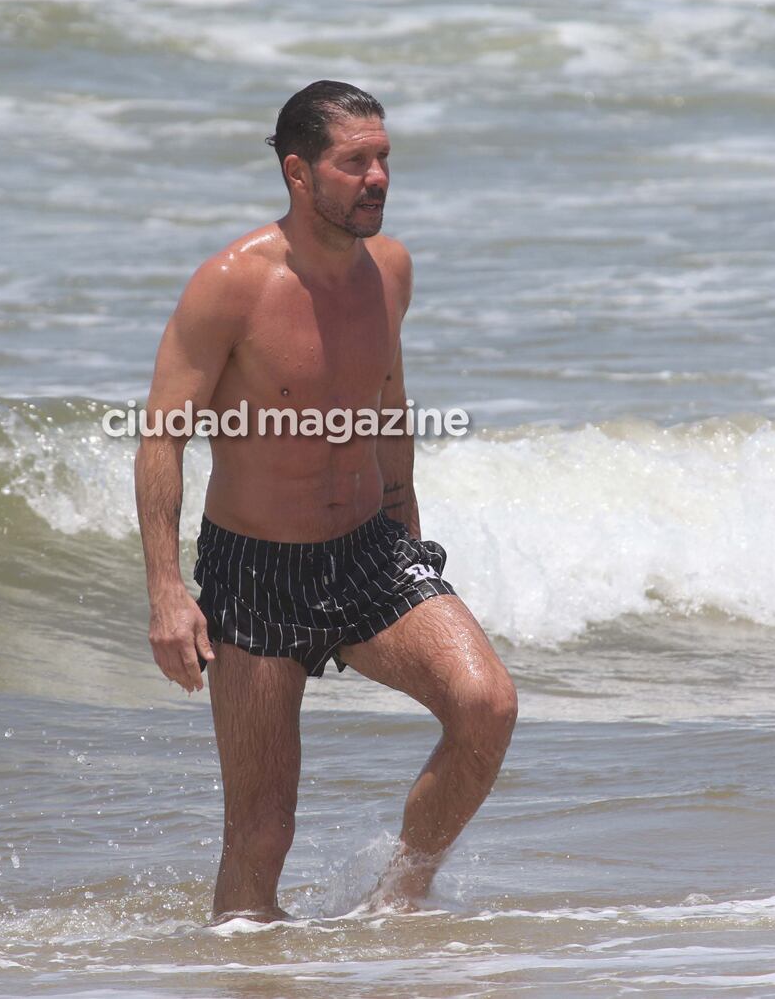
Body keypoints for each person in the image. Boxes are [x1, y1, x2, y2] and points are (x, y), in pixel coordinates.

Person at [133, 81, 517, 923]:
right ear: (299, 173)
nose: (378, 177)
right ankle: (245, 972)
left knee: (486, 703)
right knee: (262, 833)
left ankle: (395, 904)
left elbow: (388, 400)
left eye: (384, 159)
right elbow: (161, 435)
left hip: (369, 550)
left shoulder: (392, 270)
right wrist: (167, 591)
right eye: (355, 162)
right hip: (258, 570)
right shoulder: (231, 285)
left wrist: (409, 528)